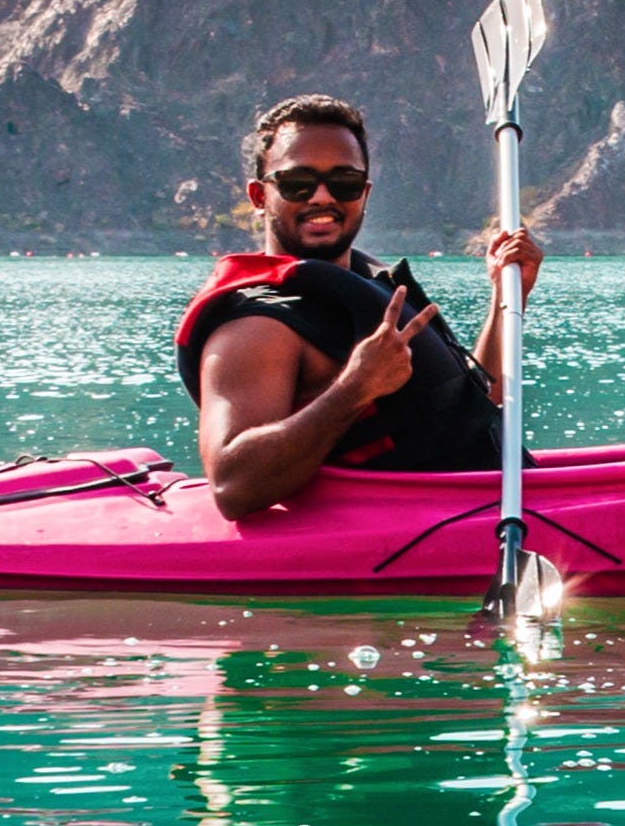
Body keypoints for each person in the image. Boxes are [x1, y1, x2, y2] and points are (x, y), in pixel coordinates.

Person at [180, 94, 542, 514]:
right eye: (298, 182)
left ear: (364, 193)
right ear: (260, 196)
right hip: (410, 535)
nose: (321, 197)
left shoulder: (369, 285)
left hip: (479, 504)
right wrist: (355, 389)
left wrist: (506, 295)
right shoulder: (256, 326)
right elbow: (232, 487)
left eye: (344, 182)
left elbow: (473, 409)